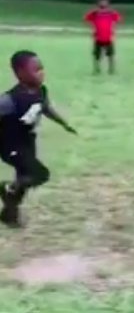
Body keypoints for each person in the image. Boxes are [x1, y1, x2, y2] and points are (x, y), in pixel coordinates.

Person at [0, 51, 77, 227]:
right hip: (10, 145)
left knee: (23, 180)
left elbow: (46, 108)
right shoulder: (10, 100)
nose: (41, 73)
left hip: (28, 142)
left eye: (42, 68)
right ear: (20, 73)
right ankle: (8, 188)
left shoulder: (41, 91)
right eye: (36, 70)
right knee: (39, 174)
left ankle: (9, 214)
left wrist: (64, 124)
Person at [84, 0, 121, 75]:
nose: (103, 3)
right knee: (97, 55)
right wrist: (93, 28)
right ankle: (97, 69)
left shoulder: (111, 13)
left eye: (104, 1)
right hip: (98, 37)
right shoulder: (95, 13)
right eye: (101, 1)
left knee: (110, 54)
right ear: (98, 3)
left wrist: (113, 29)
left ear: (107, 3)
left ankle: (111, 69)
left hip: (108, 37)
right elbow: (86, 19)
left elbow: (118, 19)